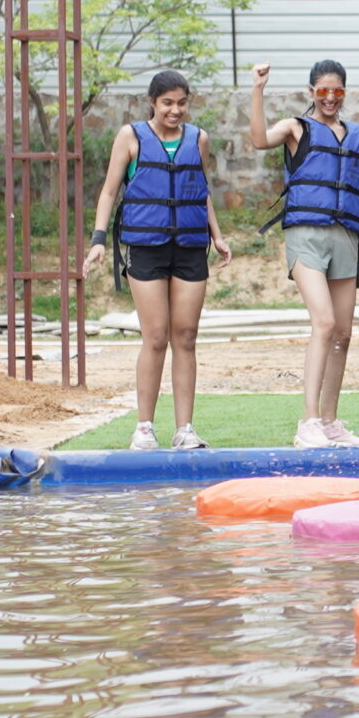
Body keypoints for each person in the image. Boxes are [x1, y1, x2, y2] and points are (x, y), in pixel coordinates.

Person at [249, 59, 359, 448]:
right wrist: (257, 89)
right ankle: (308, 422)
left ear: (345, 94)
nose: (330, 98)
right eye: (323, 91)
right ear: (311, 93)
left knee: (342, 333)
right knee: (323, 323)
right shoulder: (295, 128)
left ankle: (330, 421)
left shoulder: (357, 132)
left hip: (346, 236)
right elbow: (258, 139)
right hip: (306, 234)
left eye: (337, 91)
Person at [82, 69, 231, 450]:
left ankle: (186, 429)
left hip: (189, 247)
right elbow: (110, 191)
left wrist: (217, 235)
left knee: (186, 336)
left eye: (181, 103)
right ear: (153, 102)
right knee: (156, 336)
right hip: (146, 246)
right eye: (167, 103)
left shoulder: (199, 139)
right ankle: (144, 427)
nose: (175, 110)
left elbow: (200, 190)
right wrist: (98, 240)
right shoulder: (130, 137)